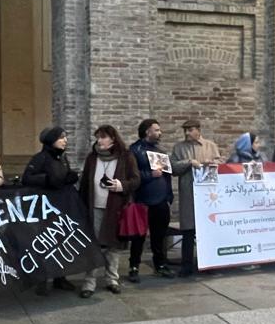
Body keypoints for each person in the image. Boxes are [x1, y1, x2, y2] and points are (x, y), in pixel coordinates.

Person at [79, 125, 141, 298]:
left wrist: (121, 186)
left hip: (116, 208)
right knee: (94, 244)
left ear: (113, 138)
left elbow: (136, 180)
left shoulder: (126, 157)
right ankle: (89, 282)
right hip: (94, 207)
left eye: (103, 137)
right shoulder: (92, 158)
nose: (99, 141)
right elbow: (84, 183)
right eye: (98, 137)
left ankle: (112, 279)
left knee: (114, 245)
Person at [21, 127, 79, 294]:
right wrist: (46, 180)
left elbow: (62, 178)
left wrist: (69, 178)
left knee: (61, 243)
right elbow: (27, 178)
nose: (65, 140)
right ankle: (42, 280)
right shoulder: (40, 158)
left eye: (65, 137)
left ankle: (60, 278)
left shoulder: (62, 158)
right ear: (51, 140)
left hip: (61, 207)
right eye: (61, 138)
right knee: (45, 243)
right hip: (45, 209)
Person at [171, 119, 221, 276]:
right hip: (188, 193)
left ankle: (208, 263)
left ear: (198, 130)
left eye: (190, 129)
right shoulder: (179, 148)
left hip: (208, 195)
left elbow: (220, 163)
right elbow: (172, 167)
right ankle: (186, 265)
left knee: (207, 231)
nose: (187, 133)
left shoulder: (210, 146)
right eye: (185, 130)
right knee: (188, 231)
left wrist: (211, 163)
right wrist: (189, 162)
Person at [128, 119, 174, 282]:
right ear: (147, 131)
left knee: (159, 236)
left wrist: (169, 196)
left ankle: (160, 265)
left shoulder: (160, 151)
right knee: (138, 236)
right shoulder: (134, 150)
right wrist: (149, 175)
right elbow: (130, 176)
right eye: (157, 130)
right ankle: (134, 267)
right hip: (142, 200)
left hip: (161, 201)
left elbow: (167, 175)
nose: (160, 133)